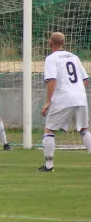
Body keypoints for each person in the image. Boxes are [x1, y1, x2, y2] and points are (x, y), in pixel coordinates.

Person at [38, 32, 90, 172]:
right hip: (80, 97)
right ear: (64, 43)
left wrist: (47, 102)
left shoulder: (51, 58)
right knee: (84, 129)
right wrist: (75, 90)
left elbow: (52, 80)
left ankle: (49, 166)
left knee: (49, 130)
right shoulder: (74, 57)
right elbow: (86, 80)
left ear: (50, 42)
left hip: (63, 97)